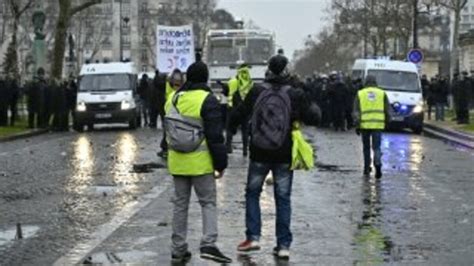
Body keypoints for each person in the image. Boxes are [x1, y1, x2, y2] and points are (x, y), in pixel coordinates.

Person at [231, 54, 320, 260]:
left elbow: (238, 114)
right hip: (284, 152)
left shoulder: (257, 91)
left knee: (252, 193)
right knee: (283, 198)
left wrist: (229, 129)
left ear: (268, 70)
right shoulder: (294, 94)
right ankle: (283, 245)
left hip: (259, 151)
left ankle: (253, 237)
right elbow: (314, 117)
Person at [166, 61, 231, 263]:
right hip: (201, 163)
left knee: (180, 205)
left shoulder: (172, 99)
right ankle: (208, 243)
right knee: (208, 203)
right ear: (205, 78)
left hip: (177, 162)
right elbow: (214, 136)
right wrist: (221, 164)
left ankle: (178, 248)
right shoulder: (207, 99)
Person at [353, 75, 391, 179]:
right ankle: (377, 163)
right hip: (378, 125)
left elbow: (356, 111)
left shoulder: (360, 94)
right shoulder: (382, 93)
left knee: (366, 147)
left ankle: (366, 167)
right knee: (376, 147)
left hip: (364, 125)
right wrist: (388, 121)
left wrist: (357, 124)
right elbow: (387, 109)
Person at [226, 64, 253, 156]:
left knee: (229, 128)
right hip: (245, 111)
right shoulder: (250, 82)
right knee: (245, 130)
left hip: (233, 109)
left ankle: (228, 147)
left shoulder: (232, 81)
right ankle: (245, 150)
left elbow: (228, 93)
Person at [158, 69, 184, 158]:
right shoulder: (170, 83)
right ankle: (166, 148)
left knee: (169, 129)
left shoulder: (168, 82)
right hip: (171, 105)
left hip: (170, 105)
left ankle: (166, 148)